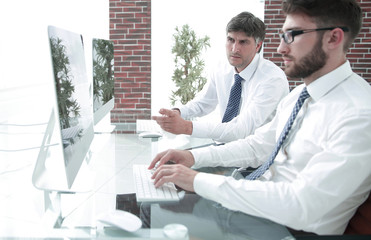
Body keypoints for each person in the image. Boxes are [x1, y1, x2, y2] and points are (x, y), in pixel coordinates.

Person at [148, 0, 371, 235]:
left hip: (291, 230)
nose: (280, 49)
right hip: (258, 204)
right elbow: (258, 146)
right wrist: (192, 157)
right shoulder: (301, 95)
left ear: (334, 39)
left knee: (156, 226)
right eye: (283, 36)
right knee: (151, 205)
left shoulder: (359, 114)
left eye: (293, 35)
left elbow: (300, 205)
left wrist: (196, 180)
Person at [153, 11, 289, 143]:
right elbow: (204, 102)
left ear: (258, 45)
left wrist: (187, 127)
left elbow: (242, 130)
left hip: (259, 159)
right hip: (225, 149)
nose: (235, 49)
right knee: (169, 161)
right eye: (231, 40)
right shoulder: (221, 69)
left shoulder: (272, 79)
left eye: (243, 42)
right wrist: (178, 112)